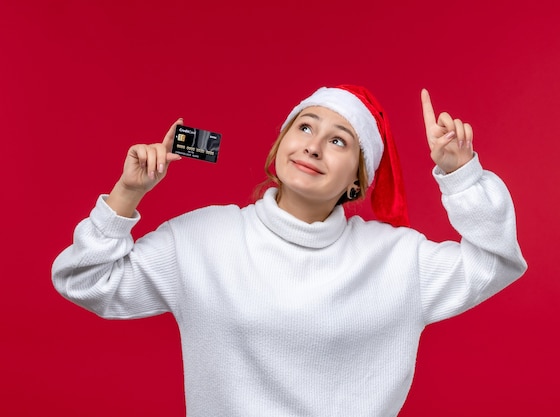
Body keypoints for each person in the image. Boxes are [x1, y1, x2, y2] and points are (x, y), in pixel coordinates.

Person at [52, 85, 527, 417]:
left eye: (339, 140)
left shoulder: (399, 260)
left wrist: (463, 176)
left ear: (358, 178)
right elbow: (86, 280)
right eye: (304, 128)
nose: (314, 146)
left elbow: (495, 261)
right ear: (280, 144)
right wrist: (126, 195)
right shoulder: (201, 239)